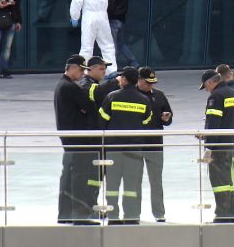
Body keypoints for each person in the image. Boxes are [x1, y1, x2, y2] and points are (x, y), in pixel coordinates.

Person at [99, 66, 153, 225]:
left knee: (112, 184)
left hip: (113, 148)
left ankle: (113, 215)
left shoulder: (112, 97)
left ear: (124, 80)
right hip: (135, 149)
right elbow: (146, 123)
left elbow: (102, 120)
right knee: (132, 184)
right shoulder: (145, 100)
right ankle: (131, 215)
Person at [200, 64, 234, 223]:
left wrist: (208, 147)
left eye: (206, 87)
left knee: (219, 182)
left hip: (219, 146)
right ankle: (233, 211)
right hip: (231, 144)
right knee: (228, 180)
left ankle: (222, 213)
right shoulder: (233, 94)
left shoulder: (216, 96)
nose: (206, 90)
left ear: (210, 82)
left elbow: (214, 123)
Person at [54, 54, 95, 225]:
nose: (82, 74)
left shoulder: (60, 85)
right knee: (80, 177)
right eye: (80, 70)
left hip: (68, 138)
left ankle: (65, 214)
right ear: (70, 68)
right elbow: (89, 107)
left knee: (68, 176)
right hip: (78, 139)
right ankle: (79, 216)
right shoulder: (71, 87)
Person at [137, 67, 172, 222]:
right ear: (139, 80)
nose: (151, 86)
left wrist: (166, 118)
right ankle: (133, 212)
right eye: (147, 83)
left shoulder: (159, 95)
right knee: (134, 180)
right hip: (136, 144)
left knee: (156, 180)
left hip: (155, 144)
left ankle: (159, 213)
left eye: (152, 83)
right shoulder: (132, 96)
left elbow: (169, 116)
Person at [70, 0, 117, 69]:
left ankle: (84, 71)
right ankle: (112, 70)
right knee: (107, 45)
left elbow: (77, 1)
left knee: (87, 46)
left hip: (89, 16)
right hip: (102, 16)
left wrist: (74, 17)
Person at [104, 0, 138, 68]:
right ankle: (133, 62)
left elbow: (111, 4)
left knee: (113, 44)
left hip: (114, 19)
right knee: (120, 44)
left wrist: (107, 16)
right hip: (119, 19)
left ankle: (112, 67)